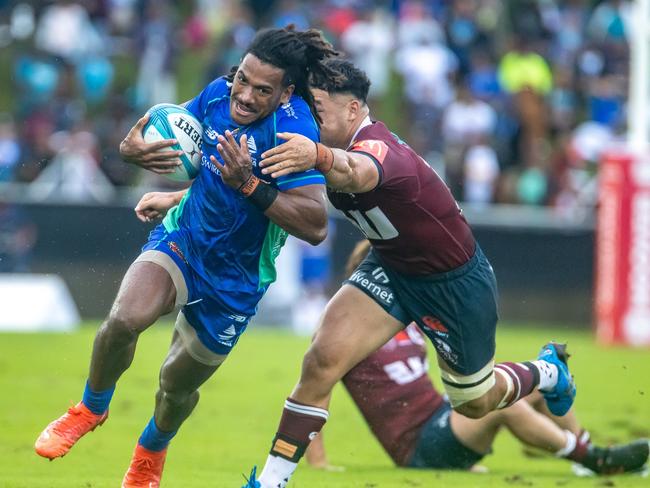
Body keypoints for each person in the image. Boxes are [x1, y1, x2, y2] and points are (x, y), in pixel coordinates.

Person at [242, 59, 577, 488]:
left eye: (318, 109)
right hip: (391, 266)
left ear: (352, 110)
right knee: (323, 357)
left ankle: (548, 371)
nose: (310, 118)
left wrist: (320, 155)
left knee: (475, 401)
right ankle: (270, 481)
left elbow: (354, 170)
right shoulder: (321, 143)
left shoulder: (379, 150)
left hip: (452, 283)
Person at [34, 26, 339, 488]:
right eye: (243, 80)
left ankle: (150, 451)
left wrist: (249, 185)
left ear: (285, 93)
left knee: (176, 387)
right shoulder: (218, 94)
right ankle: (90, 408)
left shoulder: (292, 132)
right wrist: (133, 153)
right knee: (123, 320)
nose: (245, 95)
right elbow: (187, 150)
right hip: (184, 240)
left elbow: (314, 224)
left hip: (237, 280)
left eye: (262, 89)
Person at [304, 240, 650, 476]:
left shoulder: (405, 317)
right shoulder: (344, 332)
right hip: (418, 447)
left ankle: (578, 450)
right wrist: (318, 463)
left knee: (527, 384)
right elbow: (316, 389)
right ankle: (593, 459)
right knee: (507, 405)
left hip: (444, 421)